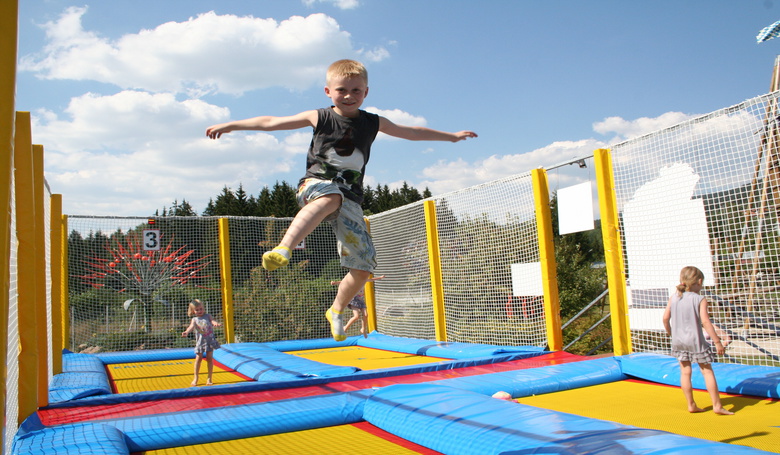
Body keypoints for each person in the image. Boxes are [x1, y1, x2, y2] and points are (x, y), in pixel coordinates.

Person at [206, 59, 477, 342]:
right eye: (342, 90)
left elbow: (412, 132)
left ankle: (336, 310)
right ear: (327, 91)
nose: (349, 96)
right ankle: (284, 248)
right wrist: (231, 125)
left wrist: (451, 137)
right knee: (330, 195)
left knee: (363, 267)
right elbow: (271, 122)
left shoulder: (373, 122)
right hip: (314, 186)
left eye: (356, 91)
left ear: (366, 92)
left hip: (350, 199)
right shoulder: (320, 117)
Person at [662, 266, 734, 415]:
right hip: (695, 341)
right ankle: (717, 406)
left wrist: (671, 333)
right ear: (700, 281)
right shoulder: (700, 299)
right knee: (707, 371)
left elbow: (665, 318)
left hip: (679, 341)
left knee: (685, 372)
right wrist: (717, 342)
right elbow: (706, 322)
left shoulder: (674, 297)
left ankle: (691, 404)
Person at [182, 299, 222, 386]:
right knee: (198, 359)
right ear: (193, 311)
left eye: (201, 309)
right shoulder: (194, 319)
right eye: (197, 310)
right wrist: (186, 332)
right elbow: (190, 327)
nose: (199, 311)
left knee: (209, 358)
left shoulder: (208, 316)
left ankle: (209, 378)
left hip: (209, 341)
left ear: (203, 308)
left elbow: (212, 321)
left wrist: (216, 323)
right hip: (200, 342)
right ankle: (196, 377)